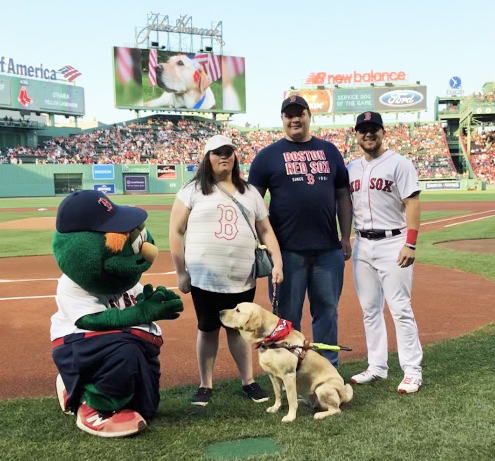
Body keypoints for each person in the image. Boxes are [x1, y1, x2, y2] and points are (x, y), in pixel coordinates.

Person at [169, 134, 283, 406]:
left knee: (239, 330)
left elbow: (266, 230)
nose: (224, 157)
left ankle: (249, 381)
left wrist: (277, 262)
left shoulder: (250, 192)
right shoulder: (193, 190)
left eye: (228, 152)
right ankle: (205, 385)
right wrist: (181, 272)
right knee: (207, 328)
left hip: (242, 277)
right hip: (205, 278)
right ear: (207, 158)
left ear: (235, 156)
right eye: (217, 152)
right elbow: (175, 230)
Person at [248, 95, 352, 368]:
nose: (295, 119)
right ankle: (288, 369)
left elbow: (343, 195)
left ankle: (328, 368)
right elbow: (253, 206)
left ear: (309, 116)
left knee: (327, 313)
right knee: (286, 317)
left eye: (300, 113)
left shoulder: (329, 151)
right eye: (289, 115)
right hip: (286, 253)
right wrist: (262, 246)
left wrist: (344, 236)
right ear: (282, 119)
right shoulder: (267, 156)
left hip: (328, 250)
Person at [347, 111, 423, 394]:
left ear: (383, 132)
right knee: (370, 310)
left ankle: (412, 371)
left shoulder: (399, 163)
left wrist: (411, 243)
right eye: (363, 130)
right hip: (363, 244)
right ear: (356, 134)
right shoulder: (351, 167)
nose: (368, 134)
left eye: (373, 129)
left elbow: (413, 204)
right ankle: (376, 366)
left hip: (394, 241)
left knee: (400, 309)